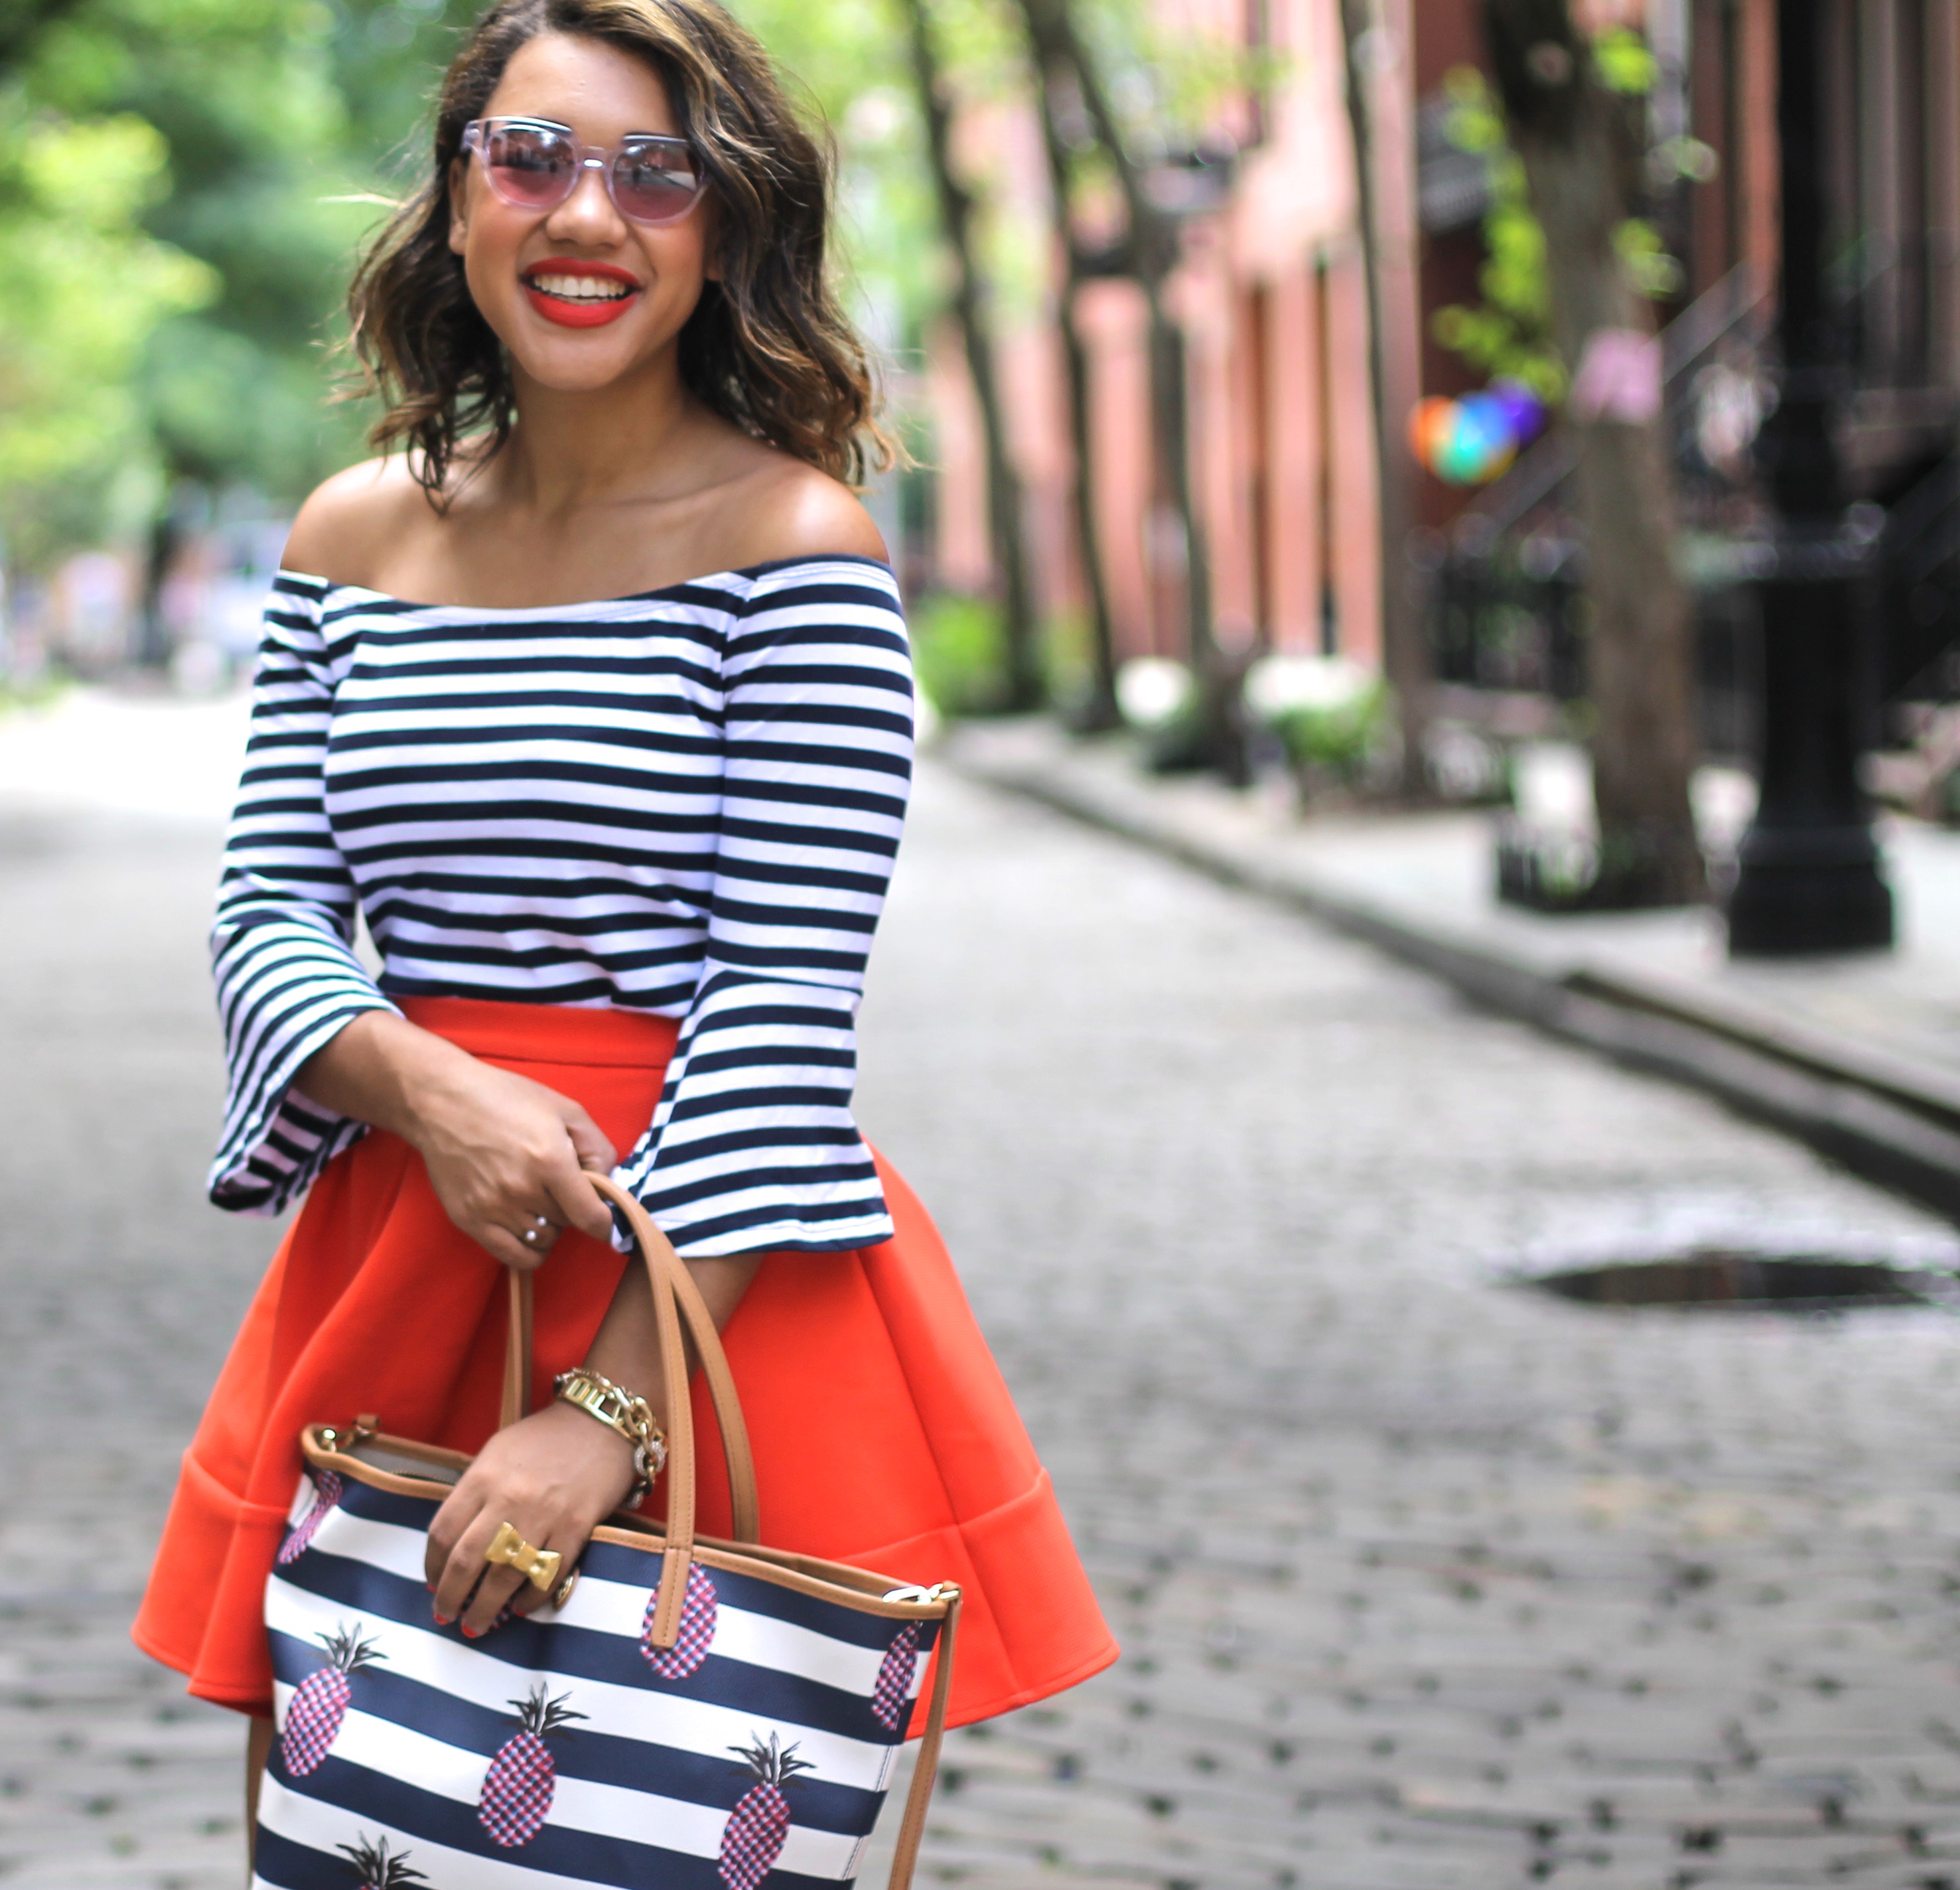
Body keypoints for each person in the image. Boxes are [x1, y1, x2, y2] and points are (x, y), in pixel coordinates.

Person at [131, 0, 1115, 1854]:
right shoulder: (354, 535)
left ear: (724, 231)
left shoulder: (795, 547)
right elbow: (268, 899)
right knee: (376, 1822)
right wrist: (424, 1087)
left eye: (657, 173)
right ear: (456, 203)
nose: (590, 214)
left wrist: (606, 1419)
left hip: (704, 1275)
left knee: (683, 1820)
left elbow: (780, 1005)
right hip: (402, 1247)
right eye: (534, 157)